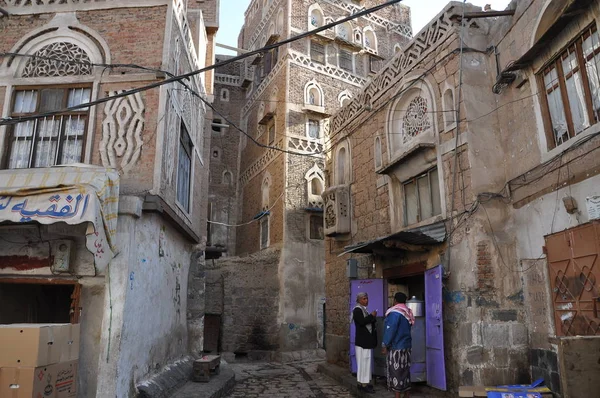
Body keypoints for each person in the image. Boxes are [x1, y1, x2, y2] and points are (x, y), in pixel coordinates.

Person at [382, 292, 415, 398]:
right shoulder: (407, 312)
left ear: (395, 300)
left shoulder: (395, 313)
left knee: (396, 372)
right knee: (406, 371)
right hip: (407, 346)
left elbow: (390, 330)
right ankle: (407, 394)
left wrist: (385, 344)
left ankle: (397, 396)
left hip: (397, 347)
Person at [352, 292, 377, 394]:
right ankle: (363, 384)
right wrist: (371, 315)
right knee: (363, 362)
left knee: (366, 362)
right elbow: (362, 322)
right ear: (359, 300)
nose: (366, 301)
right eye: (364, 299)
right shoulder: (357, 310)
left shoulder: (363, 310)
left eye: (366, 299)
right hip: (362, 341)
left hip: (365, 341)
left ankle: (364, 382)